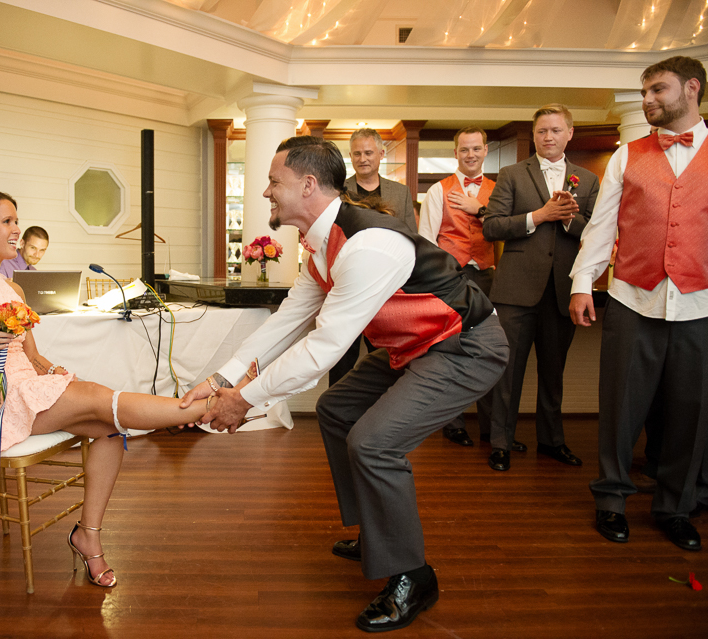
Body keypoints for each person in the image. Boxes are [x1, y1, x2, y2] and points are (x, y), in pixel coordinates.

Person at [181, 137, 508, 632]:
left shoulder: (368, 244)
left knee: (374, 444)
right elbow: (290, 321)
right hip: (414, 346)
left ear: (308, 184)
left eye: (274, 182)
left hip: (465, 346)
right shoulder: (322, 243)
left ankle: (413, 577)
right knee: (337, 409)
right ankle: (379, 534)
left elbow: (321, 349)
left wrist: (244, 401)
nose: (266, 192)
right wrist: (220, 379)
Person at [0, 186, 219, 587]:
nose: (16, 230)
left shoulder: (14, 290)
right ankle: (207, 407)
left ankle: (87, 535)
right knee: (101, 400)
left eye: (16, 220)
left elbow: (32, 356)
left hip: (23, 387)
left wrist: (53, 369)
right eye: (7, 222)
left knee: (110, 427)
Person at [569, 56, 708, 552]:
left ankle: (675, 506)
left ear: (692, 88)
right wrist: (582, 283)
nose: (647, 99)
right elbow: (603, 226)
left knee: (692, 413)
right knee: (622, 406)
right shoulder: (628, 156)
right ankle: (612, 500)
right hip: (632, 297)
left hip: (699, 305)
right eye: (644, 91)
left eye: (658, 90)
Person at [481, 104, 599, 472]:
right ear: (534, 136)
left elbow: (597, 232)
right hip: (516, 291)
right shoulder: (512, 174)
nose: (548, 137)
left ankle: (552, 441)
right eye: (541, 131)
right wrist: (539, 216)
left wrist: (567, 220)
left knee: (553, 371)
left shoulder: (589, 179)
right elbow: (492, 227)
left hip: (564, 291)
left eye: (554, 130)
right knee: (508, 371)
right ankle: (501, 442)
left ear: (569, 133)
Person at [418, 126, 499, 448]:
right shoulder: (439, 189)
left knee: (487, 348)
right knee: (450, 349)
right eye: (464, 149)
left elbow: (506, 228)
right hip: (450, 279)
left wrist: (478, 209)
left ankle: (491, 427)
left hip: (486, 275)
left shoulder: (497, 189)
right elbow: (426, 239)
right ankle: (452, 423)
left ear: (485, 150)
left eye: (476, 149)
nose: (470, 155)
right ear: (455, 153)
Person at [330, 128, 418, 386]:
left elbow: (411, 238)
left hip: (387, 290)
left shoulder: (399, 193)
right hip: (346, 286)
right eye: (357, 153)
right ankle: (338, 414)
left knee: (384, 358)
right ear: (350, 156)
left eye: (368, 152)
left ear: (381, 154)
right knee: (341, 357)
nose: (363, 158)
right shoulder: (337, 192)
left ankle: (382, 416)